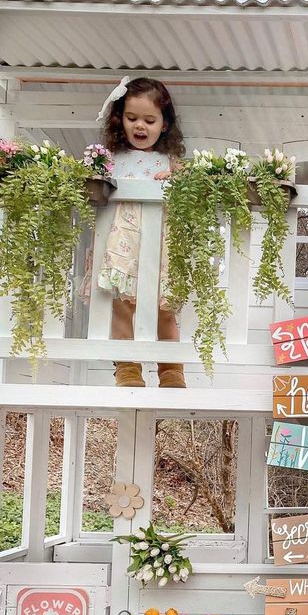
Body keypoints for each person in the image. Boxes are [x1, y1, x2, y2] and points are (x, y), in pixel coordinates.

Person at [97, 76, 186, 388]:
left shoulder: (169, 161)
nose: (140, 126)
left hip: (159, 244)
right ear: (119, 119)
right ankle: (127, 367)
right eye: (132, 118)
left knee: (165, 307)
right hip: (123, 243)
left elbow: (190, 190)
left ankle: (171, 369)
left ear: (163, 124)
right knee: (122, 305)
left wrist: (176, 179)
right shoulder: (112, 160)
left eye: (149, 120)